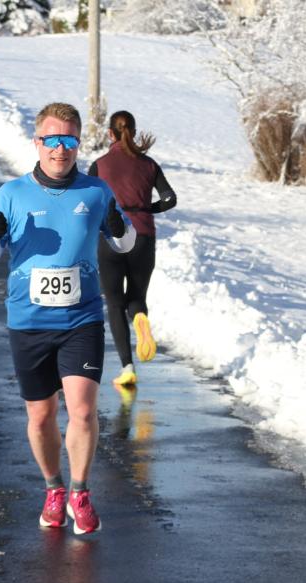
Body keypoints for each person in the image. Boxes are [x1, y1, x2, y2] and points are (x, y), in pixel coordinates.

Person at [0, 102, 135, 535]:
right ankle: (54, 489)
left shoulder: (96, 192)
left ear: (78, 143)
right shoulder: (12, 193)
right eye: (51, 140)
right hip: (28, 321)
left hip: (81, 320)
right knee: (41, 415)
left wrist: (120, 225)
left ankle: (80, 492)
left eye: (68, 140)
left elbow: (123, 245)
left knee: (82, 411)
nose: (60, 150)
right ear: (37, 142)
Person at [88, 110, 177, 387]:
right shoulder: (149, 165)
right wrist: (146, 208)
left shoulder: (100, 165)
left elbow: (89, 204)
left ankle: (127, 367)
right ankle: (140, 318)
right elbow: (170, 198)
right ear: (134, 132)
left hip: (111, 238)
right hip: (143, 235)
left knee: (114, 303)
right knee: (136, 297)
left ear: (110, 134)